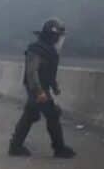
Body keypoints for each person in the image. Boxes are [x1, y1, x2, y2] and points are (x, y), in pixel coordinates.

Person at [9, 19, 76, 158]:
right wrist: (39, 92)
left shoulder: (49, 51)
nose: (59, 40)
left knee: (30, 115)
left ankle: (15, 146)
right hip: (37, 88)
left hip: (41, 88)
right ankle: (59, 148)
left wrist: (54, 86)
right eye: (58, 36)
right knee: (52, 114)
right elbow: (32, 72)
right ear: (52, 36)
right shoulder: (36, 50)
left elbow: (49, 72)